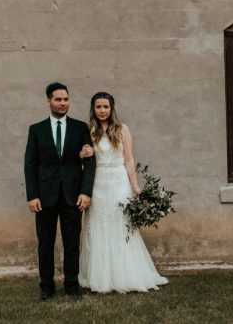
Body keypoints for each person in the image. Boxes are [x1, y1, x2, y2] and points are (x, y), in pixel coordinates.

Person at [78, 92, 168, 293]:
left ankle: (126, 274)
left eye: (106, 107)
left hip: (119, 182)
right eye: (98, 107)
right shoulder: (87, 130)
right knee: (98, 227)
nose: (102, 110)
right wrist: (81, 155)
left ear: (112, 109)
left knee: (122, 226)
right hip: (97, 184)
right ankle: (100, 277)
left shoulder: (122, 129)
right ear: (93, 108)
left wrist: (135, 185)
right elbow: (79, 159)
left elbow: (128, 159)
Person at [24, 82, 96, 301]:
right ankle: (46, 287)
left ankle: (71, 286)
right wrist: (32, 195)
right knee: (45, 244)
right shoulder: (36, 130)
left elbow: (90, 162)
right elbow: (30, 164)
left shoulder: (80, 127)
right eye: (58, 99)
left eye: (66, 99)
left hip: (73, 195)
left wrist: (86, 192)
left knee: (72, 243)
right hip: (44, 197)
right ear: (49, 101)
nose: (63, 103)